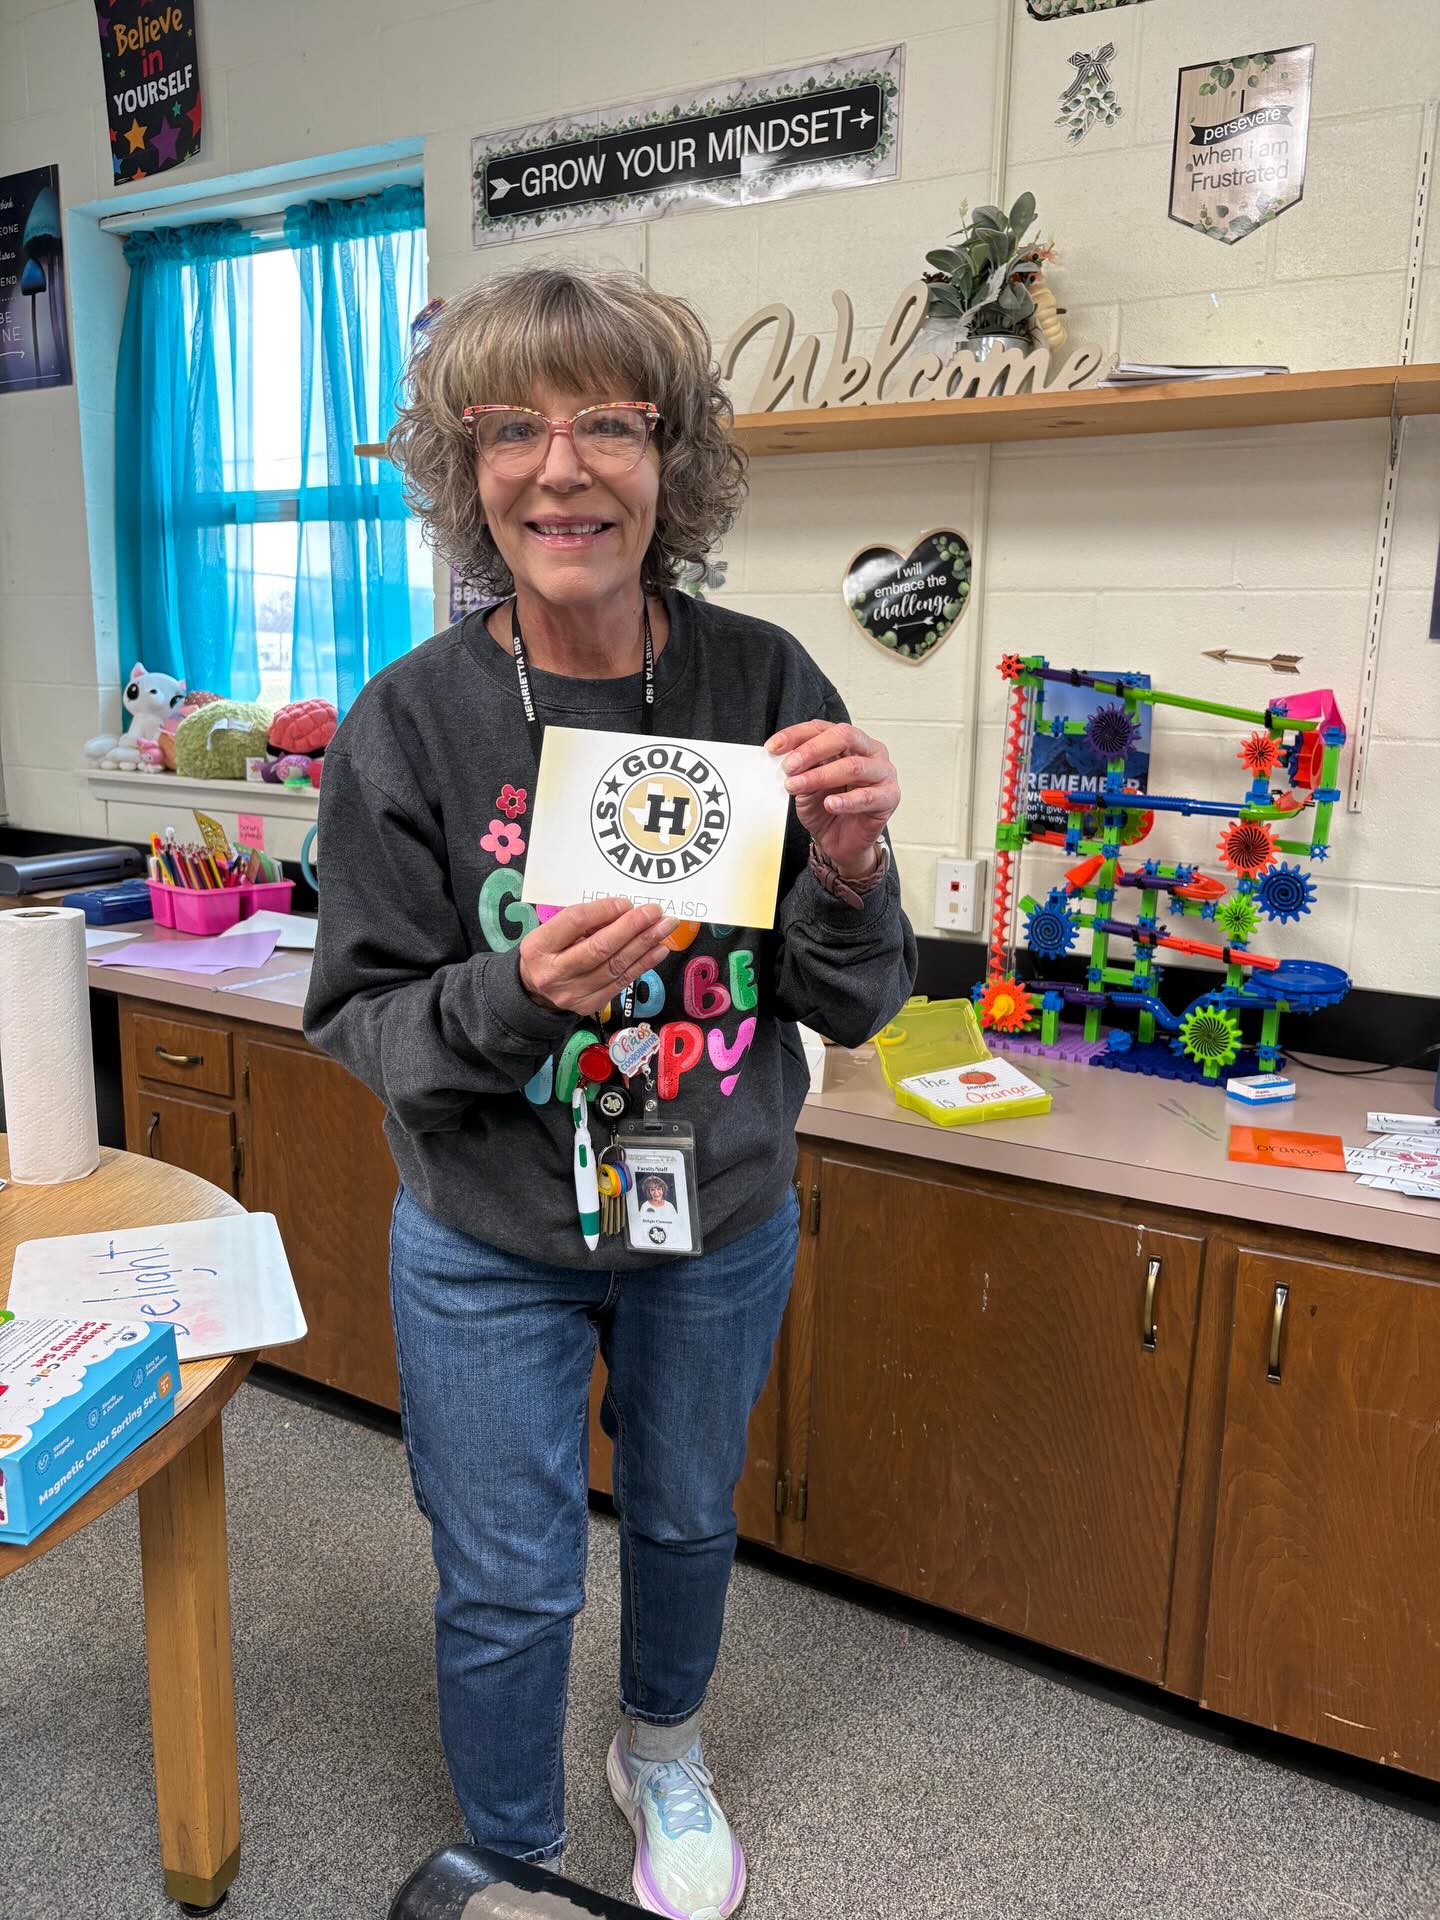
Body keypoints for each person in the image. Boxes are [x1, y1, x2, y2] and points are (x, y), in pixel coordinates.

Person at [305, 265, 916, 1920]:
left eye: (608, 426)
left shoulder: (764, 678)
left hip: (711, 1214)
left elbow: (853, 1002)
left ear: (674, 463)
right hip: (487, 1233)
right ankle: (507, 1853)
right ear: (465, 469)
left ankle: (661, 1755)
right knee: (505, 1583)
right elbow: (356, 1020)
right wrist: (520, 996)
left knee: (684, 1523)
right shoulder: (410, 722)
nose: (560, 467)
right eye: (514, 428)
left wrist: (851, 867)